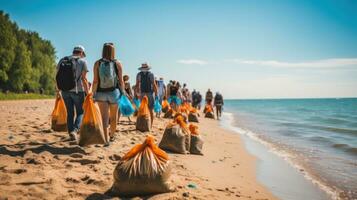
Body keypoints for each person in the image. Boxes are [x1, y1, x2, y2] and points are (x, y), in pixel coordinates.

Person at [92, 43, 124, 146]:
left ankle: (105, 140)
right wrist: (123, 92)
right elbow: (121, 81)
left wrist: (93, 93)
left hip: (101, 93)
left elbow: (95, 81)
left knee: (104, 118)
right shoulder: (117, 63)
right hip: (114, 93)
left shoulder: (97, 63)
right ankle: (112, 136)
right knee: (113, 117)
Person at [55, 45, 89, 141]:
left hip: (65, 91)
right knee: (80, 112)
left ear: (73, 51)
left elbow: (56, 76)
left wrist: (58, 90)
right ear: (81, 53)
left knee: (70, 113)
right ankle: (74, 130)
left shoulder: (62, 60)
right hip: (78, 91)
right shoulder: (83, 62)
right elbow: (84, 79)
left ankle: (71, 133)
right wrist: (88, 93)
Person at [136, 63, 158, 128]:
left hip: (142, 93)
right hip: (149, 93)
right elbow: (154, 84)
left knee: (142, 109)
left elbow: (137, 85)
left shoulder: (138, 74)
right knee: (150, 109)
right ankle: (150, 125)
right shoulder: (151, 74)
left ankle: (142, 124)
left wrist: (136, 93)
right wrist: (156, 95)